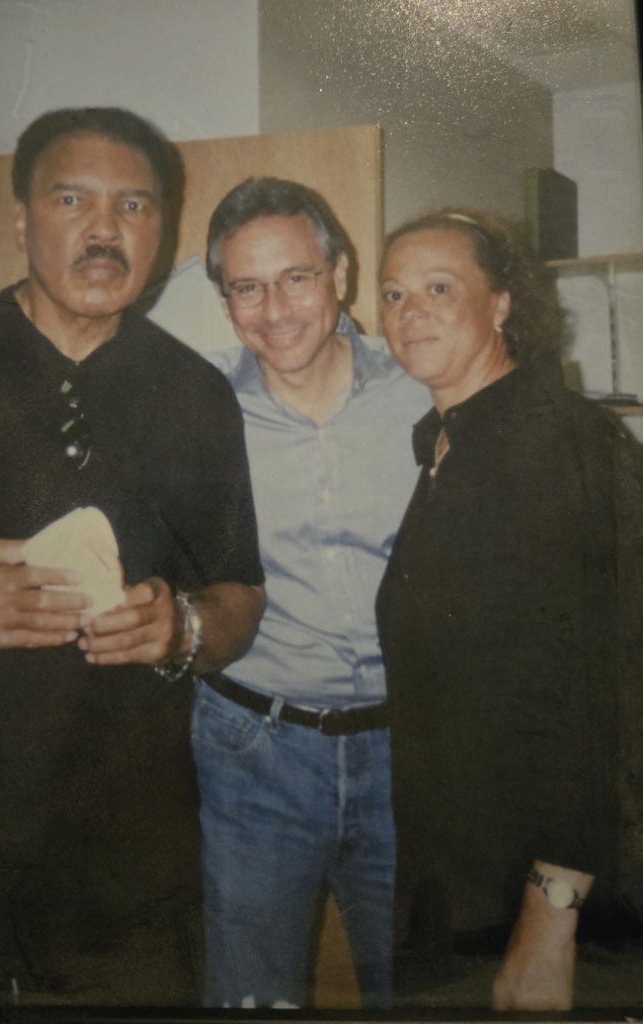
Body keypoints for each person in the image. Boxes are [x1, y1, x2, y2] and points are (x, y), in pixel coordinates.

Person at [0, 107, 265, 1002]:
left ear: (163, 233)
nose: (103, 229)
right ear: (20, 222)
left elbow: (239, 590)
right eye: (72, 199)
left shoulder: (198, 396)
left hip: (127, 885)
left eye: (134, 206)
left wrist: (185, 629)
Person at [375, 207, 643, 1011]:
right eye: (391, 294)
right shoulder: (444, 444)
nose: (408, 310)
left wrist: (548, 919)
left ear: (500, 305)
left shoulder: (557, 445)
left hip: (543, 908)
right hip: (459, 886)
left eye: (436, 287)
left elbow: (610, 698)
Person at [192, 176, 425, 1008]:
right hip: (256, 753)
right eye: (245, 287)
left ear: (340, 275)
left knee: (425, 995)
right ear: (223, 300)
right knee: (252, 999)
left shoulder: (426, 390)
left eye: (295, 277)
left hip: (418, 752)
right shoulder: (197, 411)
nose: (275, 309)